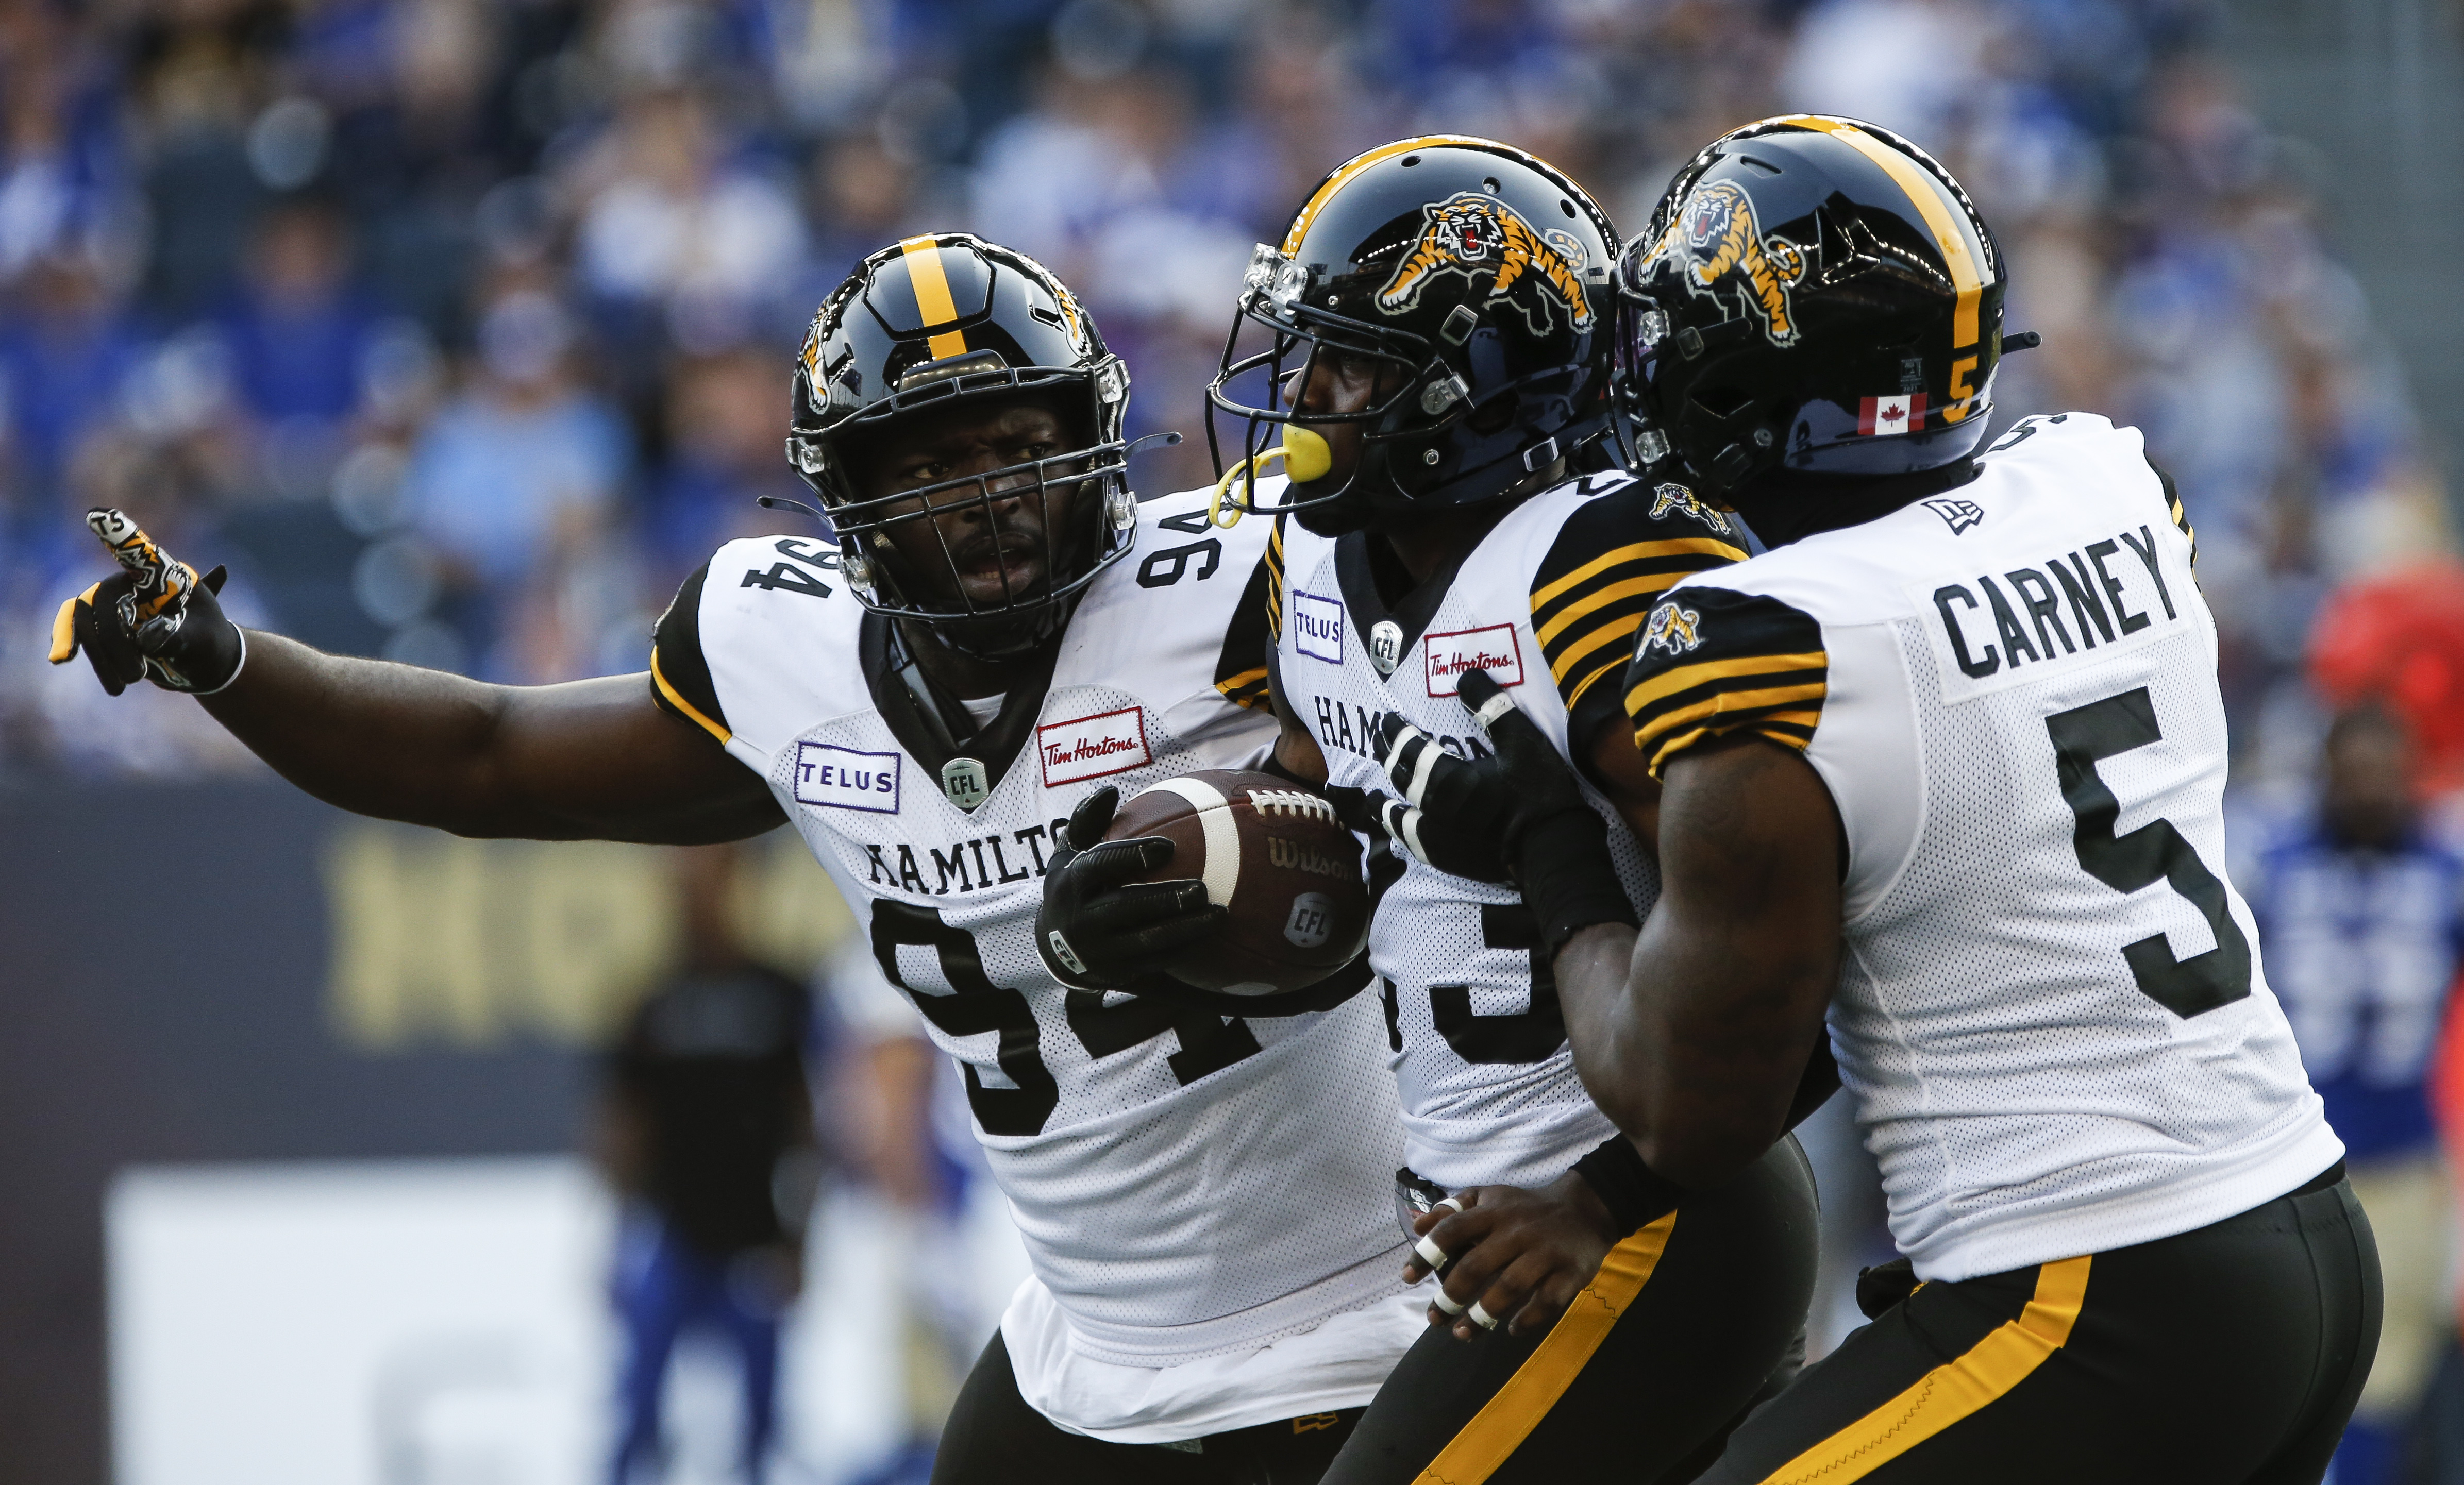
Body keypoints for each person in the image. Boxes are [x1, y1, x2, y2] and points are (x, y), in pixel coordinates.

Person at [47, 234, 1423, 1483]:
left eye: (1010, 445)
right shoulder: (784, 656)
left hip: (1362, 1306)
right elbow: (480, 756)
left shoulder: (1240, 587)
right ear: (848, 498)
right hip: (1096, 1347)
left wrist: (1304, 849)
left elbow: (1462, 789)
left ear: (1089, 442)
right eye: (929, 467)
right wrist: (224, 662)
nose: (983, 500)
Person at [1398, 115, 2379, 1484]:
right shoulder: (2106, 478)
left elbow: (1687, 1104)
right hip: (2299, 1227)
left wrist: (1545, 835)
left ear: (1752, 382)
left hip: (2089, 1285)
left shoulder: (1767, 638)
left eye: (1679, 340)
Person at [1185, 135, 1820, 1484]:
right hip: (1490, 1210)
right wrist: (1195, 868)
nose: (1303, 395)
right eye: (1307, 353)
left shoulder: (1608, 566)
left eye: (1349, 362)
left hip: (1648, 1211)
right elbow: (1322, 779)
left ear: (1472, 391)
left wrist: (1605, 1200)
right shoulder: (1307, 550)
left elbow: (1791, 964)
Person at [2247, 704, 2462, 1485]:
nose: (2371, 789)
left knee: (2384, 1386)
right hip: (2285, 1165)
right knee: (2270, 1376)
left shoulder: (2445, 871)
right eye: (2356, 771)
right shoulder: (2273, 868)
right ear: (2327, 774)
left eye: (2385, 772)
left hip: (2402, 1159)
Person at [599, 843, 817, 1485]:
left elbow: (807, 1127)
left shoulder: (779, 995)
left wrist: (801, 1239)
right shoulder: (650, 1001)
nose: (695, 887)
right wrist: (617, 1244)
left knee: (761, 1418)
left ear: (736, 878)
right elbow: (622, 1126)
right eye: (681, 874)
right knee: (636, 1406)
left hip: (755, 1235)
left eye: (709, 871)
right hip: (671, 1234)